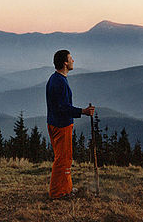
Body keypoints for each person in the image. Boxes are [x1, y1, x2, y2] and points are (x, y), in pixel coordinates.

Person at [46, 49, 95, 199]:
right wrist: (83, 111)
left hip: (55, 122)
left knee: (64, 158)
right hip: (61, 125)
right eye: (71, 58)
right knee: (63, 159)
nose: (73, 60)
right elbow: (63, 108)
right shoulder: (60, 82)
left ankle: (66, 189)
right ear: (65, 63)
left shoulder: (55, 79)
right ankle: (57, 192)